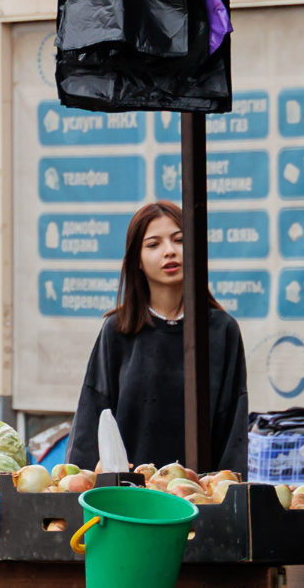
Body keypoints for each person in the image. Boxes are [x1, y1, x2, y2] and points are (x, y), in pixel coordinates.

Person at [66, 200, 245, 472]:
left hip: (199, 501)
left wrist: (223, 498)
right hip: (128, 499)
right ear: (136, 259)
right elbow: (91, 422)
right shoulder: (117, 330)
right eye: (154, 244)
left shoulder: (222, 330)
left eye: (179, 240)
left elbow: (233, 429)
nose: (170, 251)